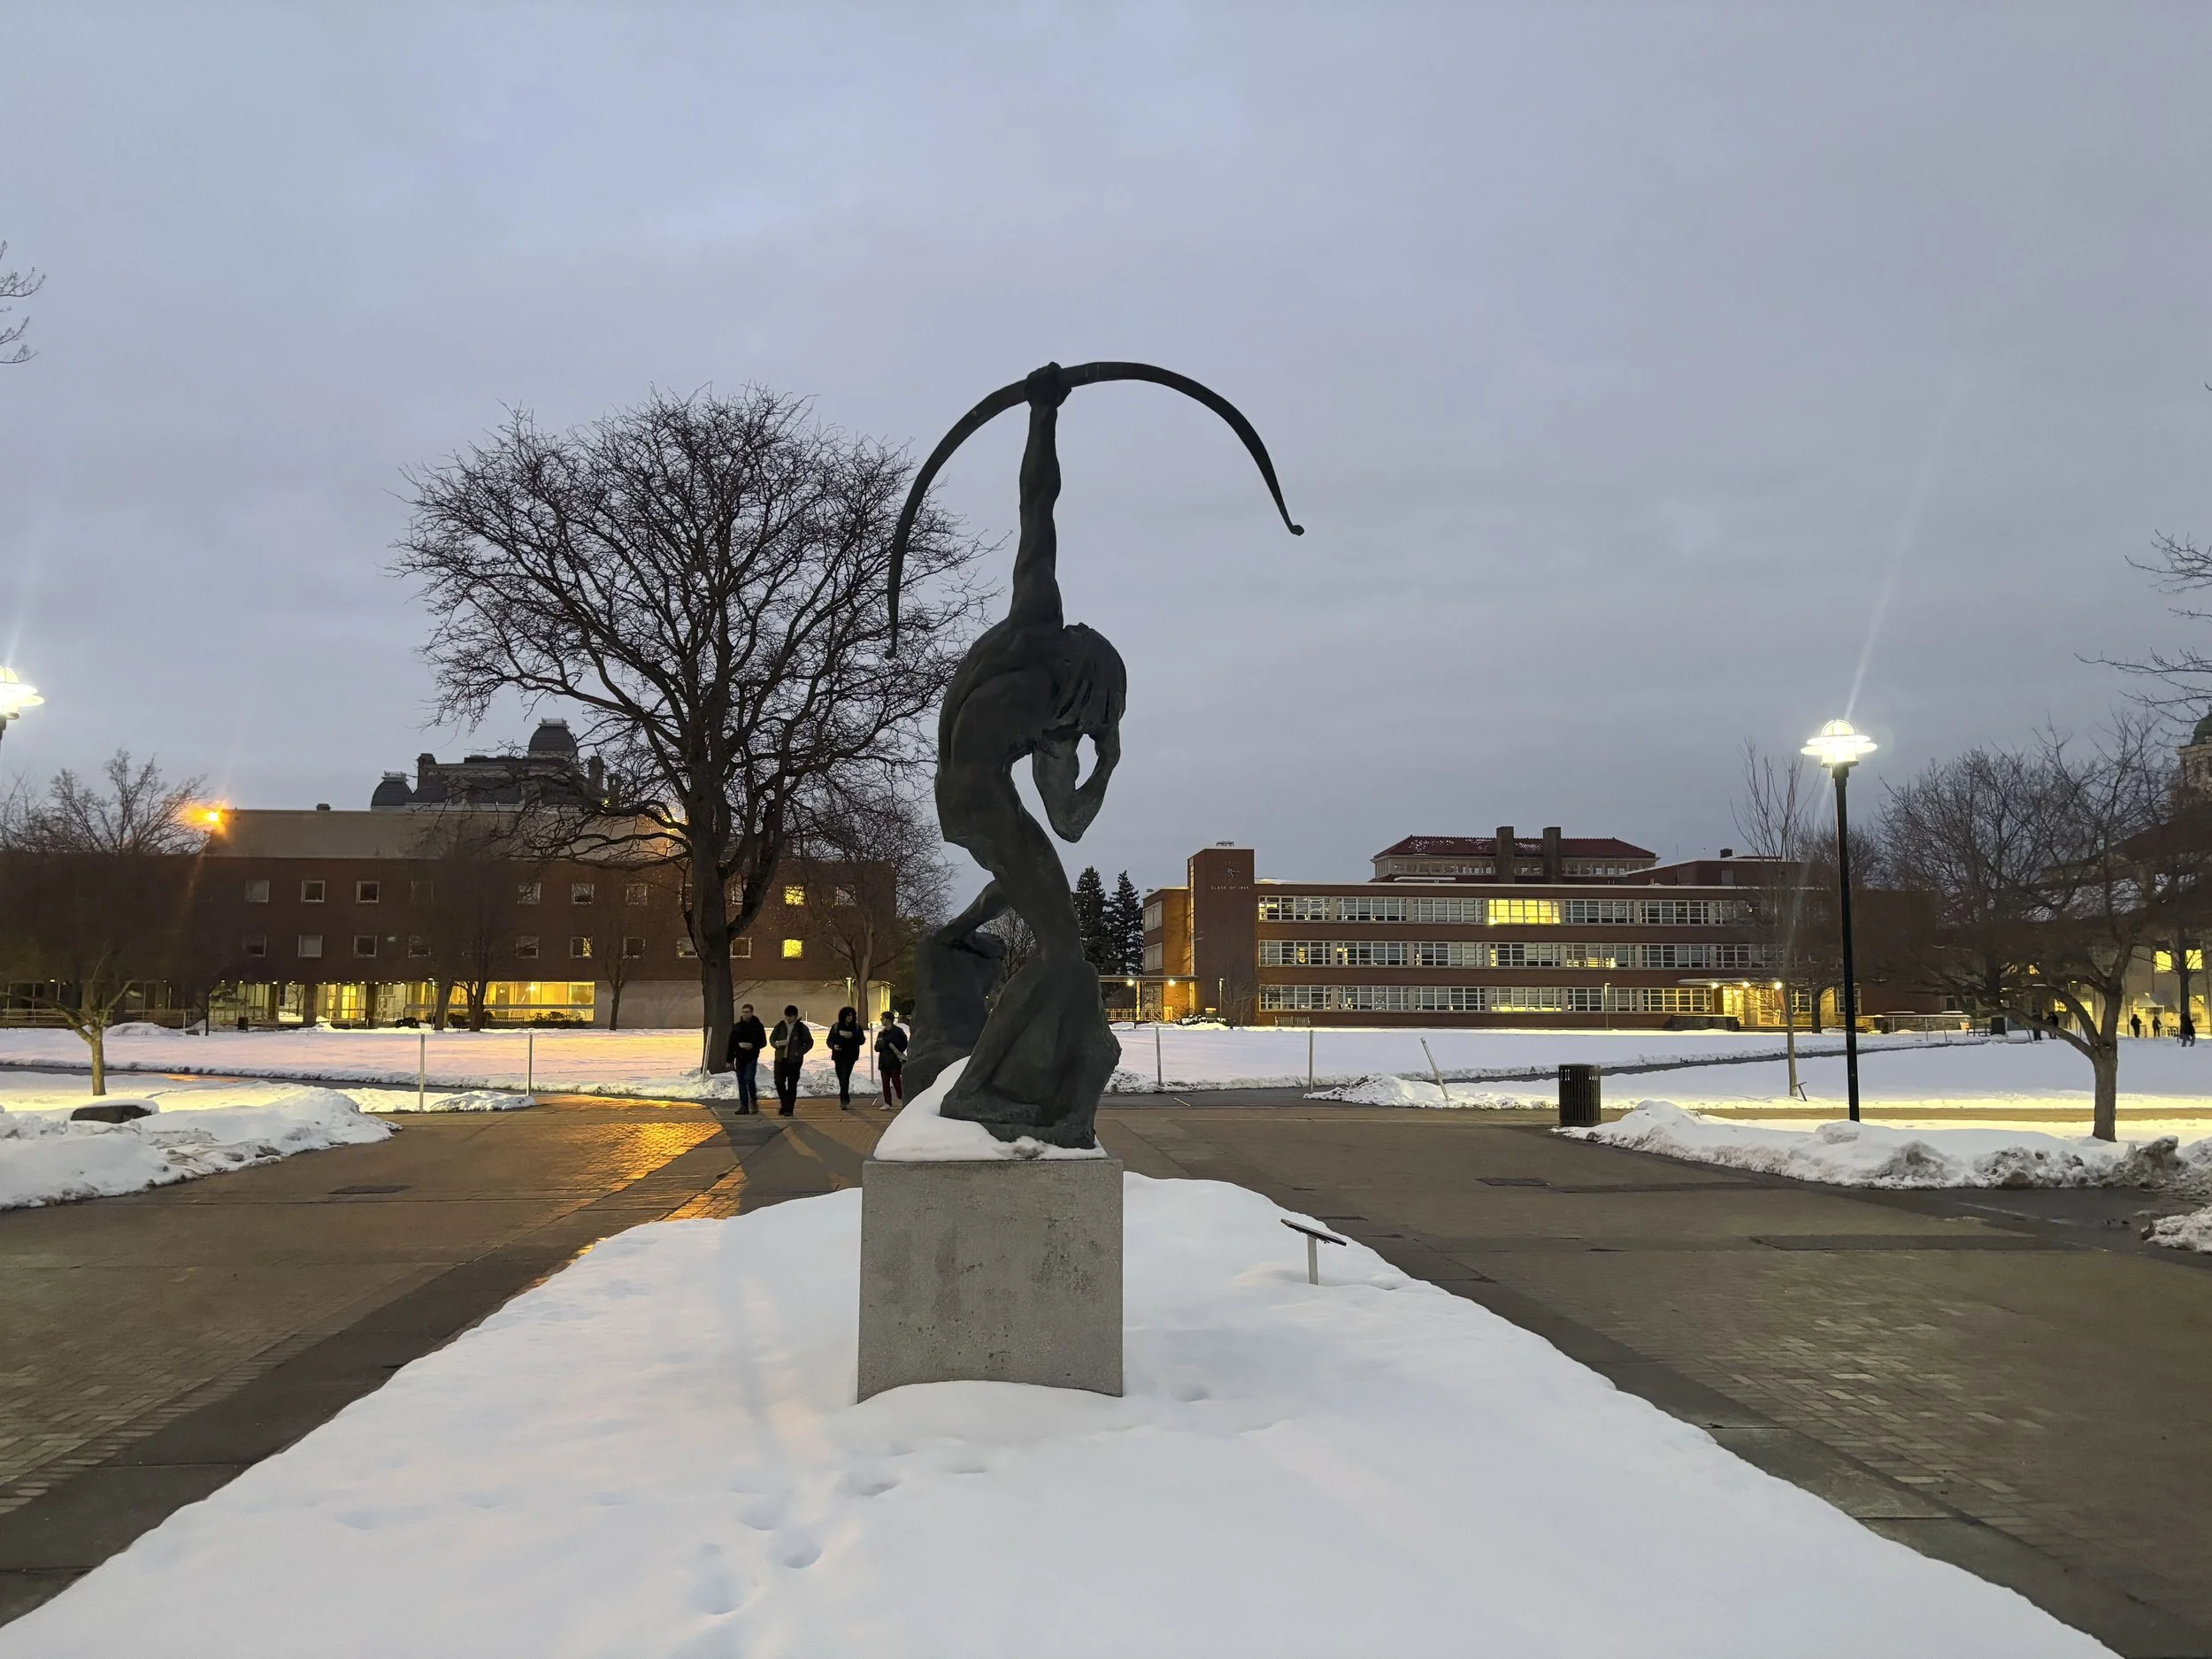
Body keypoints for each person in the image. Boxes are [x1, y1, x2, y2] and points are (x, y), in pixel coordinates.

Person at [771, 1004, 813, 1117]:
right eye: (786, 1017)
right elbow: (772, 1038)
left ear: (795, 1016)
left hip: (794, 1061)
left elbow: (809, 1042)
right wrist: (776, 1044)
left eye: (790, 1017)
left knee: (792, 1084)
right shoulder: (780, 1026)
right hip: (780, 1059)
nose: (787, 1019)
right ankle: (784, 1104)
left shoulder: (801, 1028)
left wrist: (799, 1052)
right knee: (779, 1082)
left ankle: (789, 1108)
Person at [727, 1002, 766, 1113]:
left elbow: (763, 1042)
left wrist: (753, 1046)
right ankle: (744, 1105)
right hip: (739, 1057)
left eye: (747, 1012)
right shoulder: (737, 1026)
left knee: (749, 1079)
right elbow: (731, 1044)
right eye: (743, 1012)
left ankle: (753, 1100)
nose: (745, 1014)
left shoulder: (757, 1026)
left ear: (752, 1013)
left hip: (752, 1057)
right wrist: (729, 1060)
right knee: (741, 1081)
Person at [825, 1005, 864, 1107]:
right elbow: (829, 1040)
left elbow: (862, 1040)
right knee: (840, 1075)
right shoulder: (836, 1026)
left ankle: (844, 1101)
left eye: (851, 1015)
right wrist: (834, 1046)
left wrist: (852, 1036)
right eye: (847, 1015)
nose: (850, 1017)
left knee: (845, 1076)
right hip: (838, 1055)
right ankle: (845, 1097)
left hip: (851, 1055)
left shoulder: (856, 1027)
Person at [875, 1009, 908, 1110]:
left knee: (896, 1081)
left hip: (894, 1061)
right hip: (884, 1061)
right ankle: (887, 1103)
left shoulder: (898, 1031)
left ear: (889, 1020)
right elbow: (876, 1048)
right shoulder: (881, 1033)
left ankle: (901, 1096)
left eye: (883, 1018)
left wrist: (895, 1048)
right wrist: (881, 1045)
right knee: (885, 1083)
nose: (881, 1020)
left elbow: (904, 1044)